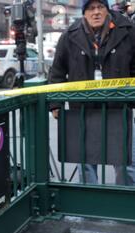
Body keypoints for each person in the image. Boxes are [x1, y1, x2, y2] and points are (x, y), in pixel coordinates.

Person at [49, 0, 135, 185]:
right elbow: (57, 71)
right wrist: (56, 104)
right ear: (84, 13)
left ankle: (125, 206)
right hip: (82, 110)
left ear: (107, 9)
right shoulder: (70, 35)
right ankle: (89, 209)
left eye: (100, 7)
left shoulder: (128, 31)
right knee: (85, 162)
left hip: (118, 108)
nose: (96, 13)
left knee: (125, 162)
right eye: (90, 9)